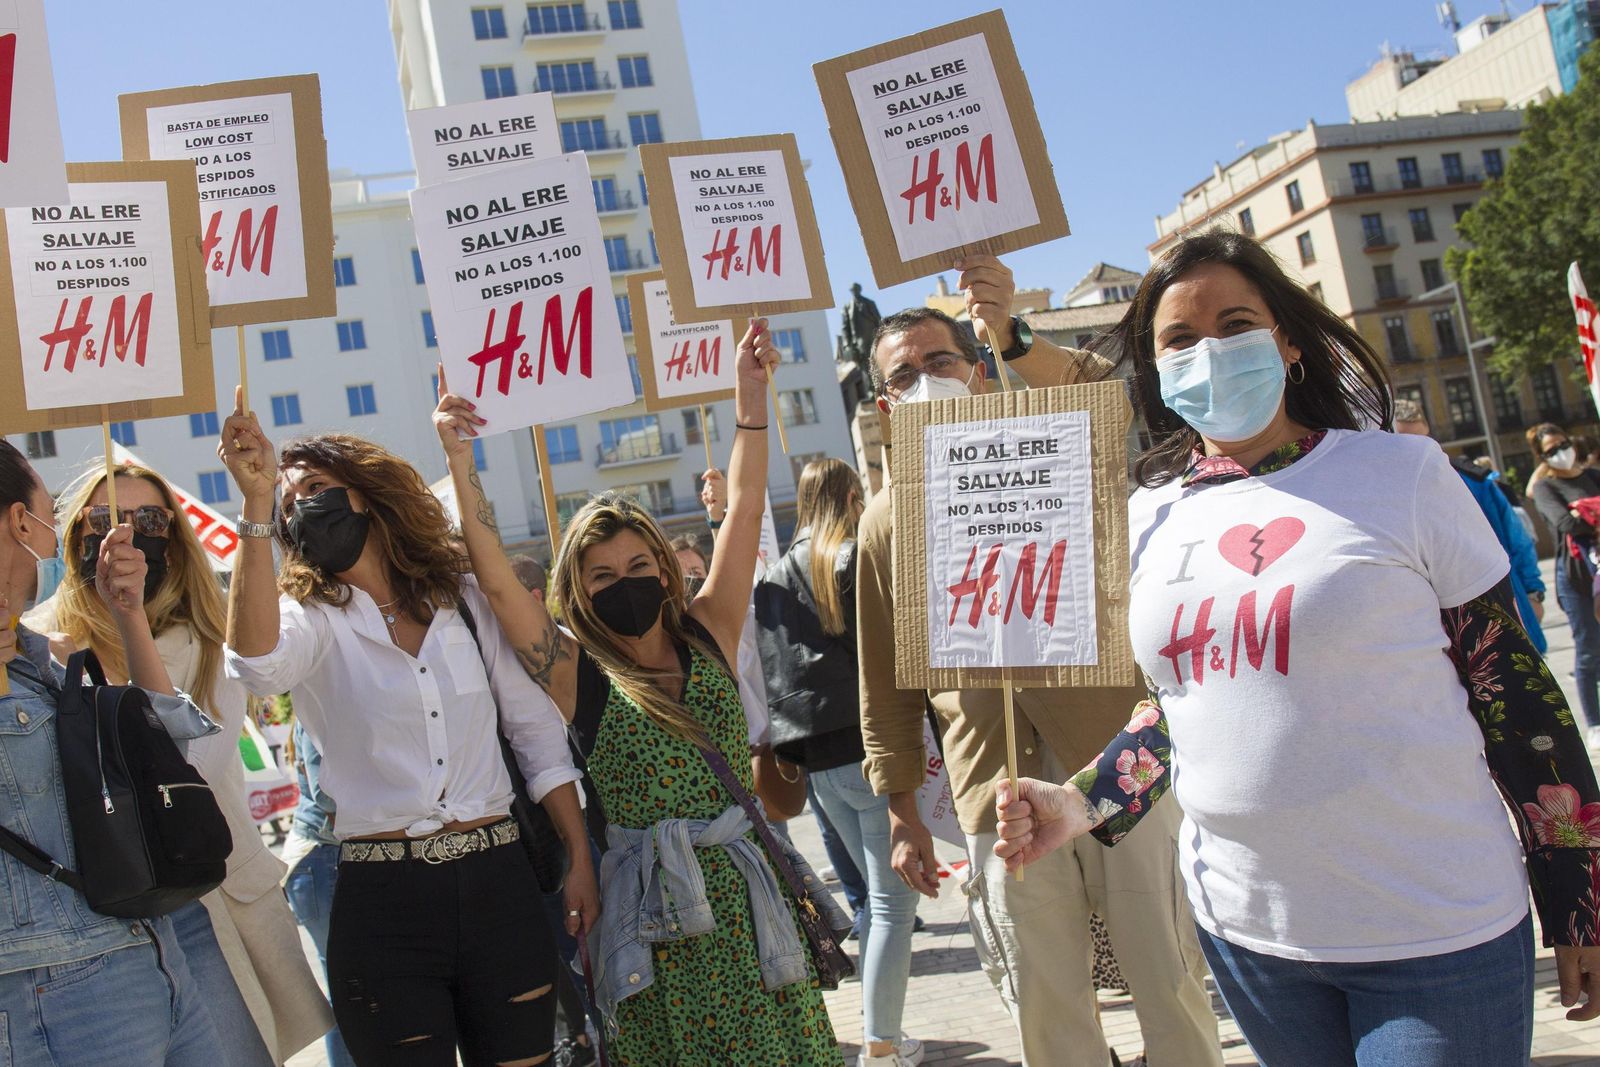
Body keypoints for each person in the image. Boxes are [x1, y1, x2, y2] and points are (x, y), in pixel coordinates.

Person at [993, 230, 1600, 1067]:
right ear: (1157, 370)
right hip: (1254, 941)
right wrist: (1082, 802)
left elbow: (1518, 694)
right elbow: (1187, 706)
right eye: (1179, 339)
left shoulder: (1405, 475)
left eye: (1235, 323)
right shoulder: (1148, 519)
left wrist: (1579, 894)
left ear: (1285, 341)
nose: (1210, 351)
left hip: (1436, 929)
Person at [431, 322, 841, 1066]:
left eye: (639, 563)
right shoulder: (574, 674)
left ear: (665, 562)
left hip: (754, 912)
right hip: (657, 930)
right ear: (577, 593)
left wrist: (750, 398)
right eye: (602, 576)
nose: (627, 582)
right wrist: (463, 464)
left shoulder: (708, 627)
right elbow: (494, 581)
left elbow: (744, 506)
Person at [858, 259, 1223, 1067]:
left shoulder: (1050, 440)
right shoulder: (883, 521)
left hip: (1116, 756)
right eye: (904, 375)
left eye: (940, 361)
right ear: (886, 406)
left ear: (978, 368)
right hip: (994, 784)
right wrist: (900, 810)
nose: (925, 381)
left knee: (1168, 976)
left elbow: (1105, 389)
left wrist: (1014, 330)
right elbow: (884, 682)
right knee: (1047, 1010)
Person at [218, 390, 595, 1067]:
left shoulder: (466, 600)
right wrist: (251, 506)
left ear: (364, 493)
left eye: (313, 486)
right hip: (381, 902)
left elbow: (538, 738)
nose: (297, 501)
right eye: (286, 499)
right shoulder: (310, 619)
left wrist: (580, 857)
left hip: (499, 885)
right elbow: (255, 663)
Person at [27, 461, 333, 1065]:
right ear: (75, 535)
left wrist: (128, 618)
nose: (126, 534)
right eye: (103, 519)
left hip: (209, 905)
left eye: (148, 519)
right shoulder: (37, 645)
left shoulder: (215, 640)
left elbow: (184, 762)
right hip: (105, 915)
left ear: (174, 536)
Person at [0, 439, 221, 1064]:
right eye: (51, 519)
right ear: (23, 522)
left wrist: (130, 617)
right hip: (57, 987)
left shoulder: (37, 658)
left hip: (151, 952)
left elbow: (166, 751)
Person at [756, 457, 923, 1067]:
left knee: (879, 904)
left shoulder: (773, 577)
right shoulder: (852, 558)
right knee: (891, 906)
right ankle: (880, 1041)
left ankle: (885, 1035)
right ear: (853, 495)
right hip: (872, 746)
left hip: (817, 759)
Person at [1392, 404, 1547, 654]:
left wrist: (1533, 593)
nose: (1417, 451)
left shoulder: (1475, 481)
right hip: (1448, 638)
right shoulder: (1384, 497)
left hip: (1510, 615)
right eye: (1405, 442)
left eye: (1422, 441)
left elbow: (1517, 541)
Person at [282, 721, 357, 1067]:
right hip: (322, 859)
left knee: (349, 990)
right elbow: (328, 798)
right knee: (348, 993)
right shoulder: (316, 713)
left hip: (321, 862)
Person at [1529, 422, 1600, 746]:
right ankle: (1595, 723)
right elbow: (1565, 522)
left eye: (1563, 444)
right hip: (1576, 577)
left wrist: (1584, 516)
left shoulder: (1593, 476)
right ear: (1542, 458)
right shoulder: (1547, 486)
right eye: (1550, 450)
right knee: (1588, 649)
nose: (1560, 452)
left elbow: (1577, 519)